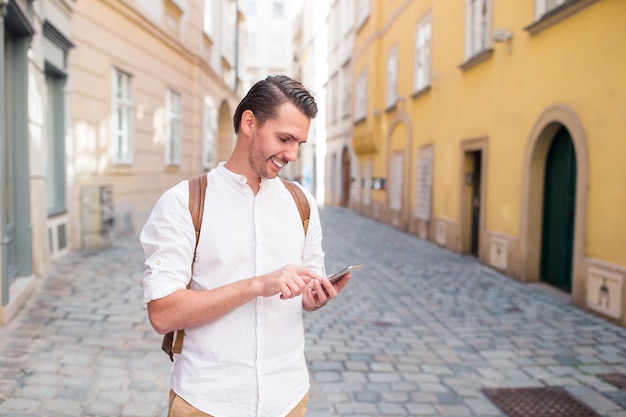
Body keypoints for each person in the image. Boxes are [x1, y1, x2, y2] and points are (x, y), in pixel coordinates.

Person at [140, 75, 351, 417]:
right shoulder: (184, 202)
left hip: (288, 398)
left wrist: (313, 299)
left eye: (299, 143)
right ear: (249, 123)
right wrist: (258, 285)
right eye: (284, 138)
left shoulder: (302, 204)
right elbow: (163, 314)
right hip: (206, 401)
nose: (292, 154)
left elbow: (308, 289)